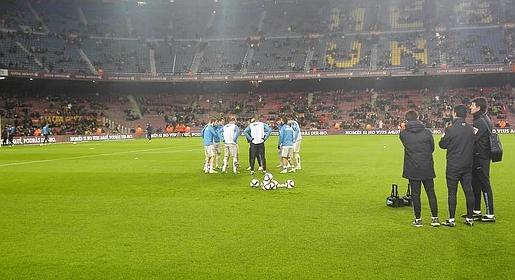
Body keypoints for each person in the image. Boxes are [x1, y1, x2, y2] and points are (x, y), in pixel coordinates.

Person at [399, 110, 439, 227]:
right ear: (417, 118)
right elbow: (432, 148)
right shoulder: (427, 132)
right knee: (431, 192)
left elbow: (406, 143)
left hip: (412, 167)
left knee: (415, 194)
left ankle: (418, 219)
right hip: (426, 166)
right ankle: (435, 218)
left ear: (406, 120)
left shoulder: (403, 134)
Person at [438, 105, 476, 227]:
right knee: (469, 191)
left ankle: (451, 219)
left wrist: (444, 135)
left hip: (454, 165)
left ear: (454, 114)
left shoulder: (450, 129)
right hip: (467, 165)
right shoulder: (471, 129)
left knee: (452, 193)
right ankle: (470, 218)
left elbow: (442, 145)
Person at [469, 97, 496, 222]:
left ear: (478, 108)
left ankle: (490, 214)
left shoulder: (479, 122)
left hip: (481, 157)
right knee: (476, 183)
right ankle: (476, 210)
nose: (470, 107)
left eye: (472, 105)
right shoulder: (484, 119)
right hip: (480, 156)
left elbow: (471, 138)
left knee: (484, 183)